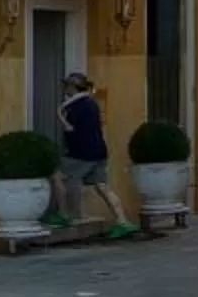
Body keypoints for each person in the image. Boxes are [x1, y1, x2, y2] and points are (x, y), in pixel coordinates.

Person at [52, 73, 137, 239]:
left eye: (67, 86)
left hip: (81, 152)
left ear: (73, 87)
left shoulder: (75, 106)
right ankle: (123, 221)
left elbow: (71, 130)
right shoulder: (92, 103)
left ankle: (65, 214)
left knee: (59, 176)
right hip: (99, 151)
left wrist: (60, 116)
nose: (65, 89)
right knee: (102, 186)